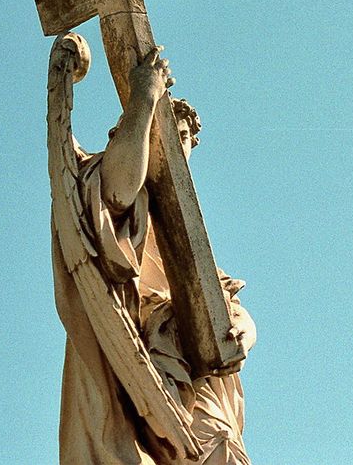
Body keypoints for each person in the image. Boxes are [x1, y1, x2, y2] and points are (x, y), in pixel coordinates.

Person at [51, 42, 255, 465]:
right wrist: (144, 99)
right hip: (132, 358)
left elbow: (226, 301)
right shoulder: (111, 181)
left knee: (218, 449)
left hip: (196, 378)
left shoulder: (183, 231)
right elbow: (119, 192)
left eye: (184, 142)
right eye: (168, 137)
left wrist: (242, 333)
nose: (178, 153)